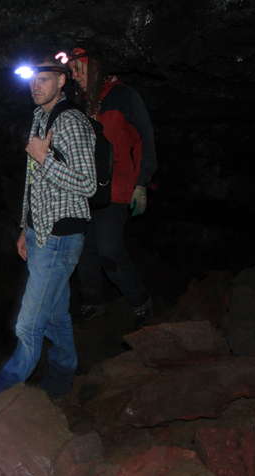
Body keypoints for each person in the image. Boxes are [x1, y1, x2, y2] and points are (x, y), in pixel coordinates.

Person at [0, 56, 96, 402]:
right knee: (56, 316)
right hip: (40, 234)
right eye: (33, 80)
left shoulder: (71, 123)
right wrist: (25, 228)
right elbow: (34, 185)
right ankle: (63, 379)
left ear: (62, 82)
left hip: (60, 239)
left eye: (45, 79)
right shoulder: (39, 117)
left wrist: (43, 158)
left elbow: (87, 183)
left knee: (28, 327)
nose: (37, 85)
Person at [68, 45, 157, 328]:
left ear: (95, 68)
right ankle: (93, 302)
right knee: (83, 250)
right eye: (72, 72)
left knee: (108, 249)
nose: (75, 76)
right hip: (84, 189)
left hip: (117, 187)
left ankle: (140, 301)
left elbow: (145, 139)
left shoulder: (123, 96)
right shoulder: (79, 103)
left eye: (79, 70)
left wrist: (141, 182)